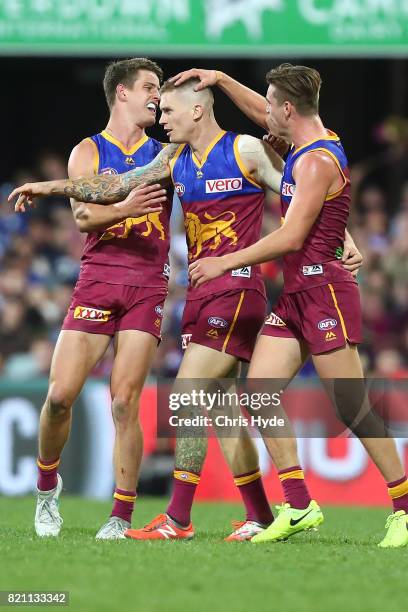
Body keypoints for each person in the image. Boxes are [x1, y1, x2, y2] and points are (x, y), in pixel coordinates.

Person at [9, 76, 362, 543]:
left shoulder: (247, 151)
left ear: (196, 111)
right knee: (219, 408)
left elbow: (301, 196)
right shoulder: (173, 158)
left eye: (169, 111)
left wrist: (345, 236)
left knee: (188, 392)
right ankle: (266, 510)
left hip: (237, 289)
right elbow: (111, 186)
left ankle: (178, 517)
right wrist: (47, 187)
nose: (162, 118)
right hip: (200, 292)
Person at [177, 64, 408, 548]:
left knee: (353, 407)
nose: (264, 112)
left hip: (324, 293)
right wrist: (219, 80)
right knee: (259, 392)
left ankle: (404, 509)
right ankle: (299, 504)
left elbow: (292, 236)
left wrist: (226, 261)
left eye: (270, 104)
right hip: (297, 296)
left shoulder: (315, 161)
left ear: (288, 109)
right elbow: (262, 109)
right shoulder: (308, 141)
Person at [26, 58, 170, 540]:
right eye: (150, 86)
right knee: (60, 397)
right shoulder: (88, 150)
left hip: (148, 281)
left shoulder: (167, 154)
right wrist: (126, 207)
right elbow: (84, 218)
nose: (158, 95)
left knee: (125, 402)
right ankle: (47, 489)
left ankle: (120, 516)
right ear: (122, 93)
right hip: (99, 278)